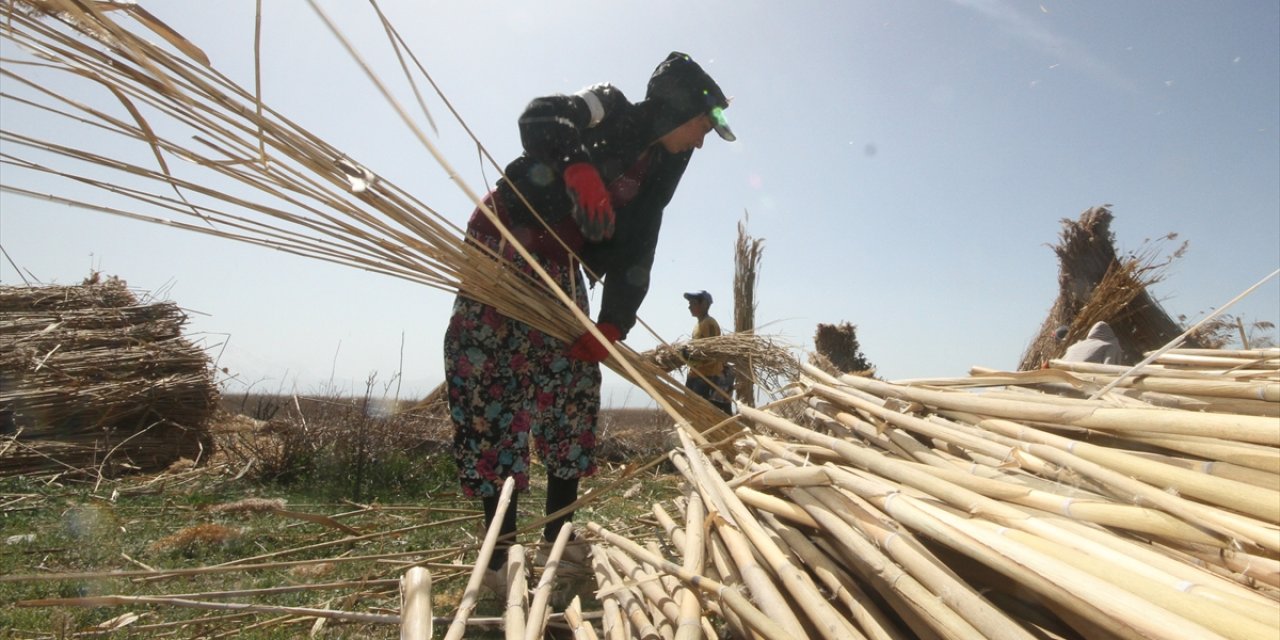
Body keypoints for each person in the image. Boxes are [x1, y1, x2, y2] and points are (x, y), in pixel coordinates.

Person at [442, 52, 735, 580]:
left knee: (572, 385)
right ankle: (502, 552)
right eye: (701, 124)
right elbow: (540, 115)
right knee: (493, 384)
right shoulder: (610, 106)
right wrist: (576, 164)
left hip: (562, 264)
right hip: (508, 240)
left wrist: (614, 323)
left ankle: (558, 539)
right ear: (679, 108)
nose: (701, 139)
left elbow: (641, 245)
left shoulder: (661, 171)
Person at [681, 290, 733, 414]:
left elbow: (711, 354)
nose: (689, 307)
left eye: (693, 303)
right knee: (691, 414)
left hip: (707, 378)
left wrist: (690, 358)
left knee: (704, 416)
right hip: (696, 376)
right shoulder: (698, 325)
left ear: (703, 304)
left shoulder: (709, 323)